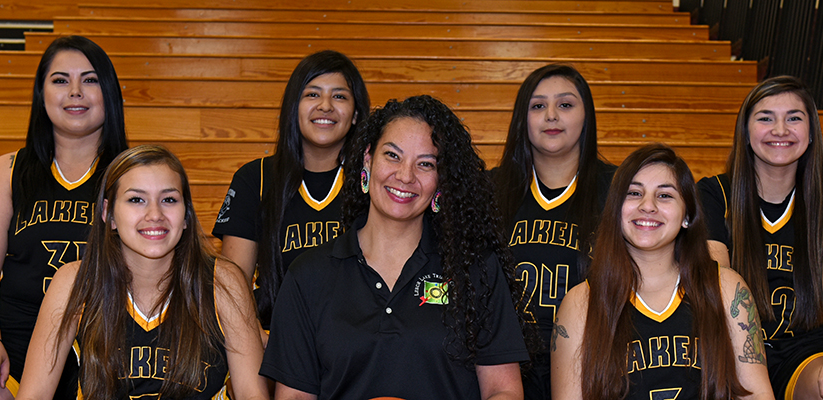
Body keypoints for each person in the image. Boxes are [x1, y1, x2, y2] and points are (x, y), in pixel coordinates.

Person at [261, 95, 530, 399]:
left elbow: (503, 391)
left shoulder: (476, 270)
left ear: (441, 180)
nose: (405, 176)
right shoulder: (308, 275)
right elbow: (294, 396)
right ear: (368, 159)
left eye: (425, 164)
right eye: (392, 155)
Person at [0, 35, 129, 400]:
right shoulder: (8, 171)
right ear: (42, 94)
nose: (75, 92)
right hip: (18, 332)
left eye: (89, 80)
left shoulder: (133, 174)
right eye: (60, 80)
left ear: (110, 93)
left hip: (104, 334)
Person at [16, 145, 267, 400]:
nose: (155, 214)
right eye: (136, 199)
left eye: (169, 200)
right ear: (108, 213)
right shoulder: (74, 281)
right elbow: (34, 395)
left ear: (186, 215)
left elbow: (252, 394)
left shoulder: (222, 281)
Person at [551, 143, 774, 400]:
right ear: (615, 210)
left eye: (665, 195)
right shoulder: (580, 303)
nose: (648, 206)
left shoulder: (728, 289)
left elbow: (757, 395)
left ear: (687, 215)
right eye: (634, 193)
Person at [697, 76, 823, 400]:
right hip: (733, 344)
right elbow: (718, 280)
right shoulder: (714, 194)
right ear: (745, 132)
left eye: (794, 118)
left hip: (803, 347)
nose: (781, 130)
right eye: (766, 118)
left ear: (811, 133)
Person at [212, 50, 371, 329]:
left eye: (339, 96)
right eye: (312, 94)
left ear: (356, 114)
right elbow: (231, 290)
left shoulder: (374, 181)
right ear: (294, 107)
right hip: (274, 341)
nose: (325, 106)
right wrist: (264, 344)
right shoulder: (256, 179)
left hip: (357, 344)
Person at [491, 64, 616, 400]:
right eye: (537, 105)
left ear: (586, 116)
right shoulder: (490, 189)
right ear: (523, 118)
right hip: (505, 363)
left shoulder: (618, 190)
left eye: (565, 104)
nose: (551, 115)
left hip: (591, 362)